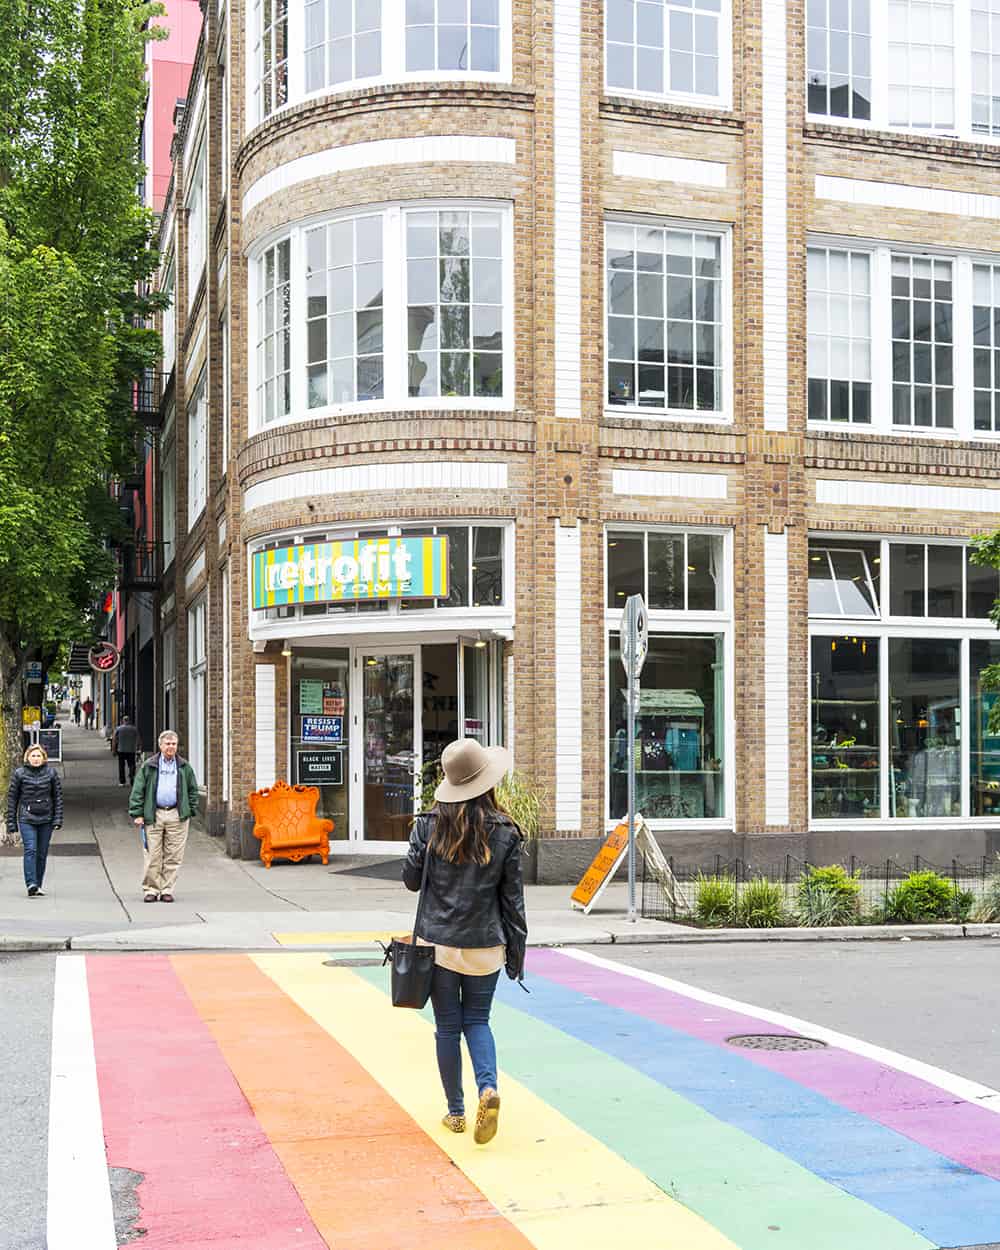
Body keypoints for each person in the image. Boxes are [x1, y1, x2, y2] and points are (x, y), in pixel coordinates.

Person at [403, 738, 527, 1146]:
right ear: (487, 782)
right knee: (478, 1020)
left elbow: (410, 881)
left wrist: (417, 841)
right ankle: (487, 1089)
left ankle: (455, 1114)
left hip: (437, 943)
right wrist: (516, 955)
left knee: (446, 1027)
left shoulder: (428, 824)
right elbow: (512, 902)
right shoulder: (506, 831)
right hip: (485, 943)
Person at [128, 730, 199, 903]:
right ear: (160, 746)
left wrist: (190, 810)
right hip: (154, 814)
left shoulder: (184, 767)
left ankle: (167, 889)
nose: (171, 747)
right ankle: (151, 889)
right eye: (167, 744)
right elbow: (138, 790)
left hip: (177, 815)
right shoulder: (149, 766)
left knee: (174, 855)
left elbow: (192, 790)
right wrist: (137, 813)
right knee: (153, 854)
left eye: (173, 744)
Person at [6, 743, 63, 897]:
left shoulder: (51, 773)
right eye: (33, 756)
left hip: (46, 818)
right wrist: (11, 823)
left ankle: (38, 884)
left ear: (43, 758)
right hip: (27, 818)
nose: (36, 759)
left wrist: (58, 819)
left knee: (42, 853)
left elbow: (57, 797)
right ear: (27, 757)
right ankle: (31, 883)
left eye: (38, 756)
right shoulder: (19, 773)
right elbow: (12, 798)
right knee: (30, 849)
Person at [112, 715, 141, 787]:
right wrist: (138, 749)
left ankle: (122, 782)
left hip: (121, 750)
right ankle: (131, 776)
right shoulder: (134, 729)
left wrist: (114, 750)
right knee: (131, 764)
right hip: (131, 750)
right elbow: (138, 740)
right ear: (129, 721)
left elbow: (114, 740)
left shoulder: (118, 729)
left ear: (123, 721)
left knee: (121, 766)